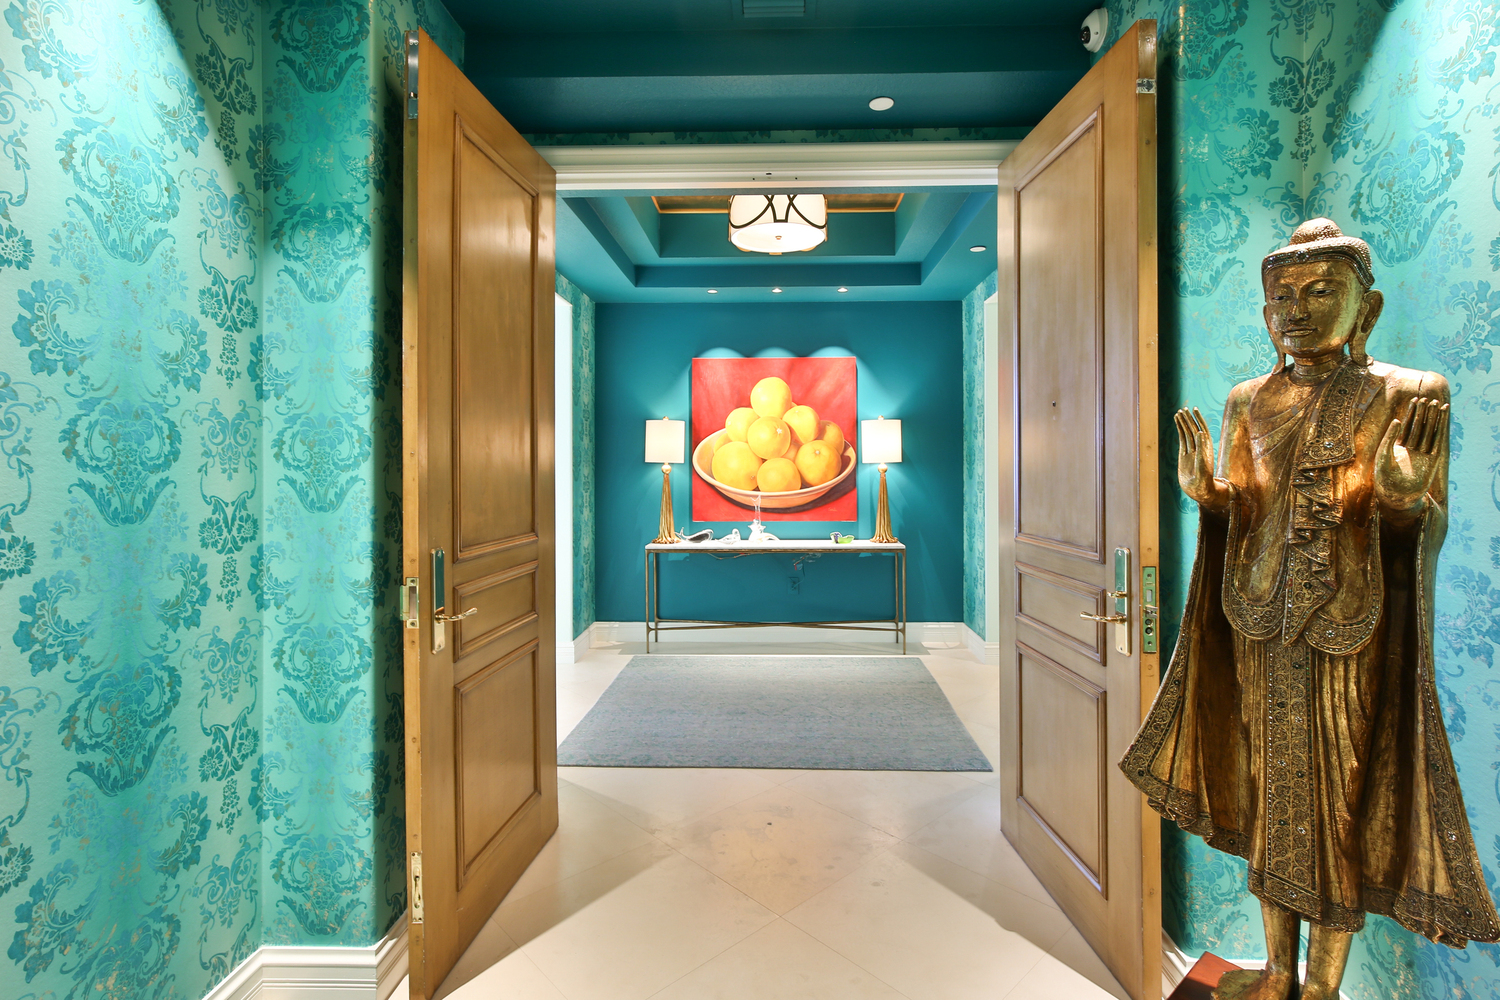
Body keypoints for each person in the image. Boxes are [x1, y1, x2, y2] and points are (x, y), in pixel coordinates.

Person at [1120, 219, 1500, 999]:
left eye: (1321, 291)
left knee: (1337, 804)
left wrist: (1403, 499)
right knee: (1267, 793)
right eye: (1281, 296)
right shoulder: (1248, 400)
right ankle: (1277, 971)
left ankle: (1322, 985)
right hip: (1259, 622)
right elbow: (1244, 506)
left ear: (1367, 308)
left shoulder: (1408, 394)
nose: (1296, 309)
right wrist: (1209, 497)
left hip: (1350, 628)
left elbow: (1425, 523)